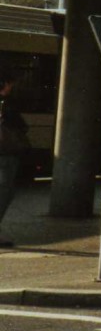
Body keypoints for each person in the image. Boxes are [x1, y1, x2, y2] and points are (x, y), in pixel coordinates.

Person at [0, 71, 30, 248]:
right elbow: (21, 126)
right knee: (5, 191)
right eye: (10, 84)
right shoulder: (6, 105)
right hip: (5, 153)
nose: (12, 87)